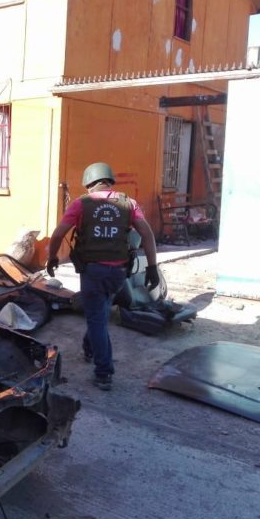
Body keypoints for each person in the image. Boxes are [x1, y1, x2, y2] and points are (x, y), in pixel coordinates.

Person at [46, 162, 159, 391]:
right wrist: (152, 267)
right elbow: (146, 233)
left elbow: (58, 234)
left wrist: (52, 258)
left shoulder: (81, 204)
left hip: (93, 271)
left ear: (89, 184)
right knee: (100, 312)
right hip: (118, 273)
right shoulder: (128, 203)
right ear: (109, 181)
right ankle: (89, 347)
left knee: (97, 318)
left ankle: (104, 372)